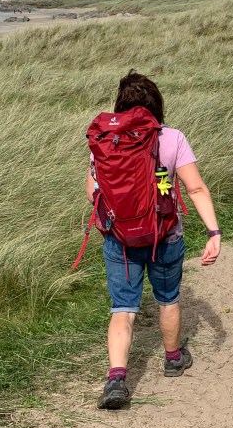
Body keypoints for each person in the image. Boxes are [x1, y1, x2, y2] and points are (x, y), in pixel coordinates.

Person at [85, 71, 222, 409]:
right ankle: (173, 358)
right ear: (157, 105)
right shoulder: (172, 138)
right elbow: (196, 188)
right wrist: (213, 232)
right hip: (166, 236)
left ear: (120, 105)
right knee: (168, 299)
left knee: (123, 308)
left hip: (120, 240)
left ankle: (117, 378)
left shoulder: (105, 140)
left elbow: (92, 193)